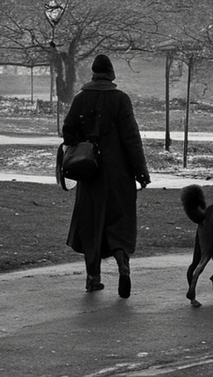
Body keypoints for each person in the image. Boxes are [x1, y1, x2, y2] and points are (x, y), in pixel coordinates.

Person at [62, 54, 150, 298]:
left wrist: (83, 144)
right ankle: (123, 265)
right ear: (111, 75)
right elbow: (132, 138)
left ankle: (93, 278)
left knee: (91, 224)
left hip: (90, 174)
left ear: (92, 74)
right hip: (118, 174)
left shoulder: (81, 98)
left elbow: (68, 131)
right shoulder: (121, 99)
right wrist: (141, 172)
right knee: (119, 222)